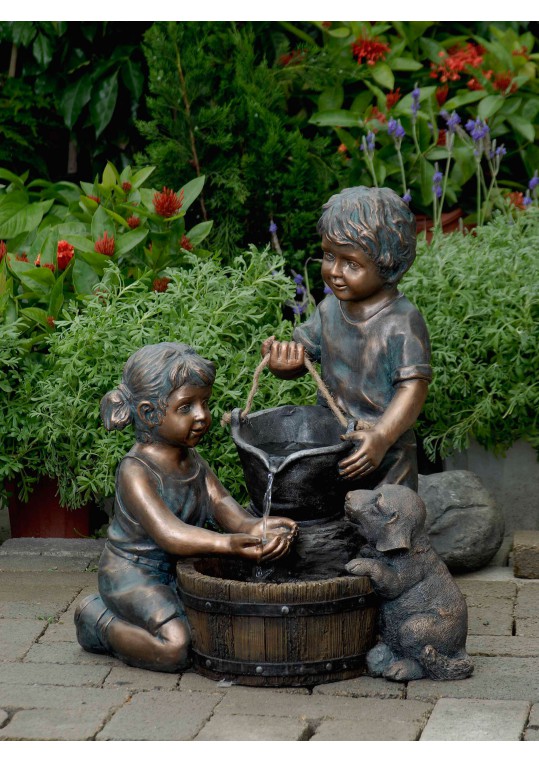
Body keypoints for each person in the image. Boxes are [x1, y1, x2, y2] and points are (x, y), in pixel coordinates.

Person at [75, 342, 297, 672]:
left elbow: (222, 504)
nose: (202, 416)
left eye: (205, 403)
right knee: (175, 648)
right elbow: (170, 534)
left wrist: (257, 528)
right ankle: (97, 620)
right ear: (150, 414)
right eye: (186, 407)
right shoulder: (136, 471)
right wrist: (228, 545)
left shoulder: (192, 460)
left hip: (178, 570)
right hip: (134, 574)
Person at [262, 186, 432, 492]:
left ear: (387, 265)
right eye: (329, 256)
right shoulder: (329, 310)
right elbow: (303, 359)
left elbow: (413, 388)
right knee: (333, 521)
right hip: (332, 444)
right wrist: (281, 361)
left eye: (351, 263)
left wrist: (382, 436)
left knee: (388, 518)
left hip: (385, 455)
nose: (335, 271)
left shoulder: (402, 321)